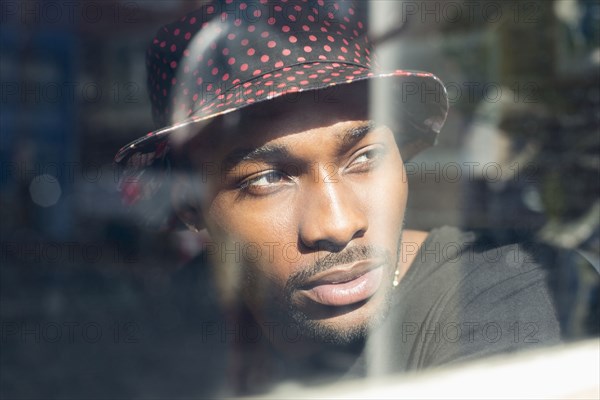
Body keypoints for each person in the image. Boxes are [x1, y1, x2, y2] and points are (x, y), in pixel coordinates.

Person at [114, 0, 563, 395]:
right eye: (267, 179)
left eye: (365, 157)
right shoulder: (179, 314)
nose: (338, 224)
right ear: (190, 203)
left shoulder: (498, 299)